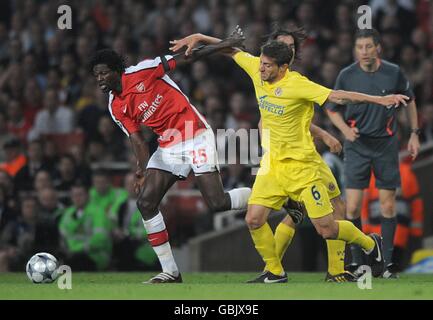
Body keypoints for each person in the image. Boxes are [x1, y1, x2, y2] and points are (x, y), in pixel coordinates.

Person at [170, 29, 408, 283]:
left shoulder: (297, 84)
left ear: (283, 68)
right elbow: (232, 50)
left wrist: (380, 101)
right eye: (261, 63)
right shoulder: (257, 68)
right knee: (253, 219)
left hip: (302, 167)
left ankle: (370, 244)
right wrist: (200, 37)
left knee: (327, 229)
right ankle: (275, 272)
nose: (261, 69)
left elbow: (339, 96)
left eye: (268, 66)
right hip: (272, 165)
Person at [90, 31, 251, 283]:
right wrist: (142, 172)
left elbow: (186, 58)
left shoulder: (141, 71)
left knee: (218, 203)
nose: (99, 79)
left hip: (193, 132)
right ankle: (170, 272)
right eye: (96, 75)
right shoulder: (115, 106)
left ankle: (266, 196)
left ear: (116, 70)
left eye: (103, 73)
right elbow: (137, 140)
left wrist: (225, 45)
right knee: (145, 202)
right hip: (169, 145)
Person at [325, 28, 420, 278]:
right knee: (353, 207)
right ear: (355, 50)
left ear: (378, 48)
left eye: (369, 46)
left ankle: (386, 264)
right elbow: (332, 108)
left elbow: (410, 101)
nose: (364, 52)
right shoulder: (346, 75)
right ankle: (358, 263)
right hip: (357, 146)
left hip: (386, 145)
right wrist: (345, 130)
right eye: (360, 47)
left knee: (389, 206)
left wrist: (414, 133)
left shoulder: (394, 72)